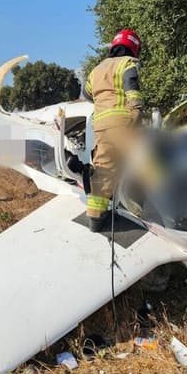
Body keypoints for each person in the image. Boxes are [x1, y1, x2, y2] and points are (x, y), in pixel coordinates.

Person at [83, 28, 144, 232]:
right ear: (134, 48)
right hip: (122, 121)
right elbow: (131, 87)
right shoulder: (127, 63)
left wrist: (103, 102)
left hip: (100, 126)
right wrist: (135, 111)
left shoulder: (96, 70)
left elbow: (87, 94)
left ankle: (95, 218)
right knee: (145, 159)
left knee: (103, 172)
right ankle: (173, 201)